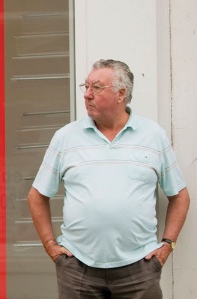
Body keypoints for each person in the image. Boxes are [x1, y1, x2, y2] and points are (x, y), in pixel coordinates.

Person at [27, 59, 190, 299]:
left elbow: (180, 195)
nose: (87, 95)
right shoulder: (66, 137)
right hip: (77, 268)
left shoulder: (153, 136)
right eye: (86, 86)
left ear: (121, 94)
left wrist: (167, 245)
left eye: (96, 87)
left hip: (139, 269)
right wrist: (52, 248)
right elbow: (37, 195)